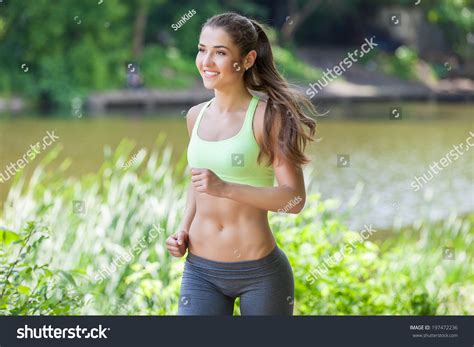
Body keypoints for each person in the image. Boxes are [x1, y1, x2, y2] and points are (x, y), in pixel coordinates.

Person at [166, 12, 317, 315]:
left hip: (260, 274)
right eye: (202, 49)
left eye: (220, 53)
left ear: (247, 60)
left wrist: (226, 187)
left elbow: (295, 199)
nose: (206, 61)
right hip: (200, 272)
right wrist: (182, 230)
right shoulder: (195, 116)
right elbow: (198, 184)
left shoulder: (269, 117)